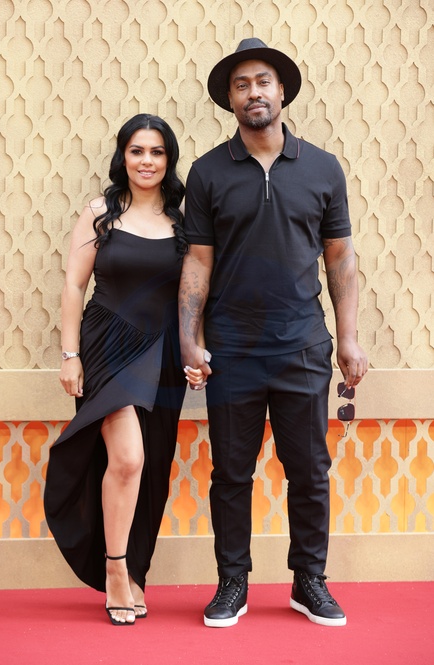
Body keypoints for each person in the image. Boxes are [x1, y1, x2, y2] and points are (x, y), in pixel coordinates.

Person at [179, 38, 368, 628]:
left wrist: (348, 337)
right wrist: (189, 337)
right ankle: (232, 582)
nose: (253, 92)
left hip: (303, 346)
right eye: (241, 85)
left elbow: (340, 257)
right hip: (232, 349)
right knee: (231, 474)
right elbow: (198, 262)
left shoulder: (322, 167)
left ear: (282, 90)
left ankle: (309, 580)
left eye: (262, 81)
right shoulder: (208, 172)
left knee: (309, 471)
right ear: (230, 99)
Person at [44, 113, 203, 626]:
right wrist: (69, 355)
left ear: (169, 159)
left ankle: (136, 572)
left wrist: (196, 351)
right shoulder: (100, 212)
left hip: (163, 354)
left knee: (150, 467)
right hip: (107, 347)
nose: (147, 161)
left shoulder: (184, 220)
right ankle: (115, 569)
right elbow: (74, 286)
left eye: (157, 152)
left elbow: (194, 294)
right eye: (137, 151)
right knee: (129, 458)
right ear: (123, 156)